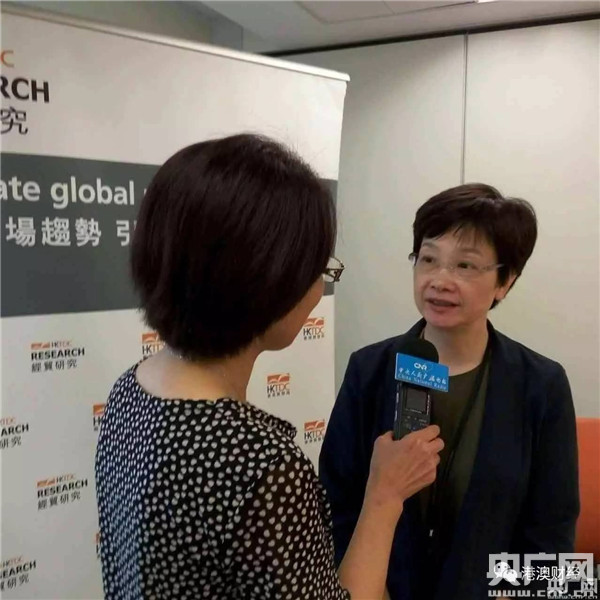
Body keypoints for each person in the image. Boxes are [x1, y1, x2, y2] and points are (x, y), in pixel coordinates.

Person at [95, 133, 444, 600]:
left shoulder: (130, 390)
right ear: (270, 279)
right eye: (318, 270)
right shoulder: (262, 465)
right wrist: (385, 494)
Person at [319, 183, 579, 600]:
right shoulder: (368, 370)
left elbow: (552, 540)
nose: (440, 280)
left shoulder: (542, 385)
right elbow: (335, 509)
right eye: (428, 259)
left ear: (505, 281)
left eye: (465, 265)